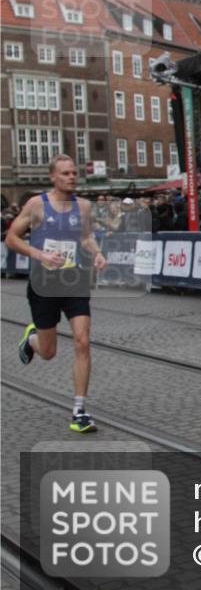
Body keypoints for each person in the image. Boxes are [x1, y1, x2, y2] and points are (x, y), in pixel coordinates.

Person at [5, 154, 107, 432]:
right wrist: (39, 254)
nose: (71, 177)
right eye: (65, 173)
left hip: (74, 282)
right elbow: (11, 238)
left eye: (74, 173)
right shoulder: (36, 205)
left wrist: (97, 254)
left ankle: (79, 411)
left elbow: (86, 237)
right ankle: (33, 339)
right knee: (48, 352)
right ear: (52, 177)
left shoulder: (83, 207)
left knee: (82, 342)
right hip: (43, 286)